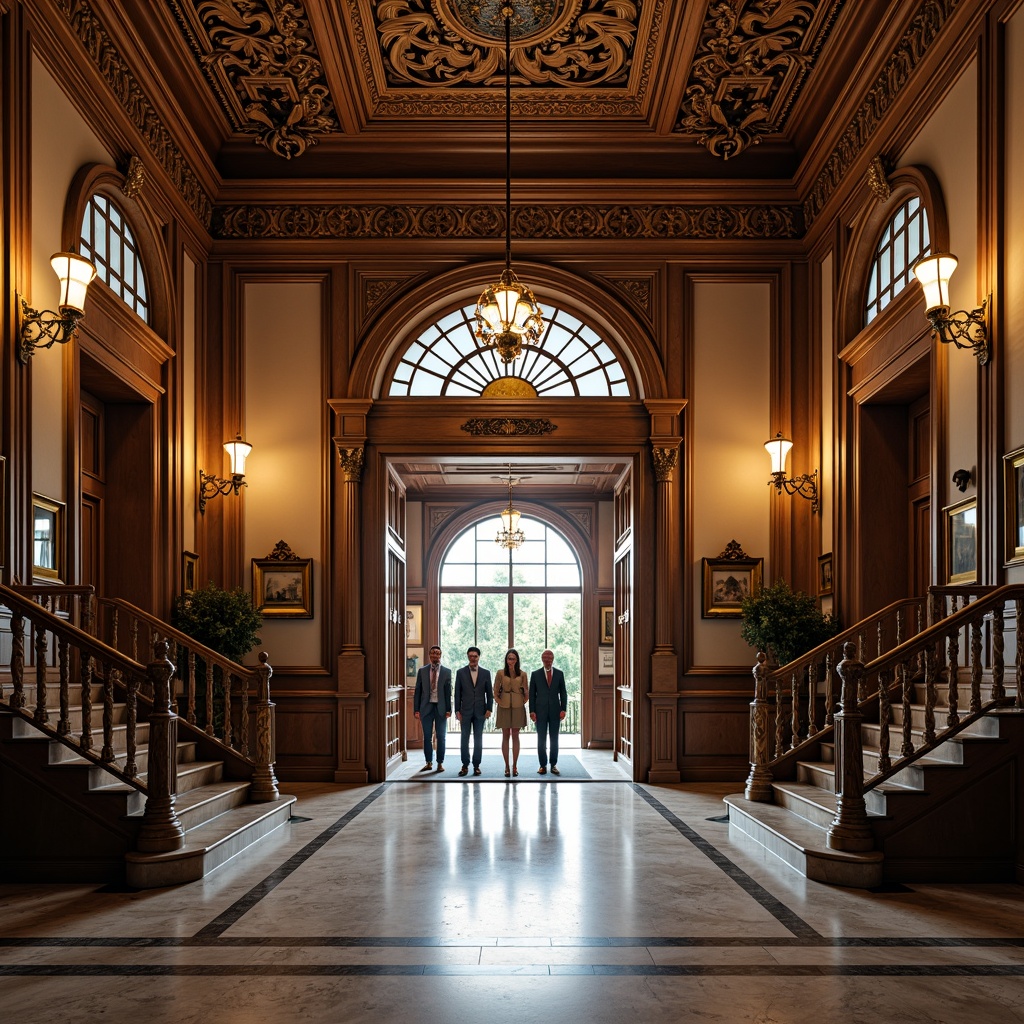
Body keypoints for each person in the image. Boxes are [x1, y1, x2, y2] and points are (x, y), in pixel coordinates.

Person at [454, 646, 493, 776]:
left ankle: (477, 765)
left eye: (475, 656)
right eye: (470, 656)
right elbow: (457, 693)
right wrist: (457, 711)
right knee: (464, 738)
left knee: (478, 738)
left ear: (479, 657)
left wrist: (489, 708)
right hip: (465, 711)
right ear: (467, 657)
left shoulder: (486, 673)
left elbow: (489, 693)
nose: (473, 658)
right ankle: (465, 765)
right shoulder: (460, 672)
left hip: (480, 711)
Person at [412, 644, 452, 772]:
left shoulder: (446, 672)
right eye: (433, 653)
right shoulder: (422, 671)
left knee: (441, 736)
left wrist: (448, 709)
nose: (435, 655)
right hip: (426, 707)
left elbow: (448, 692)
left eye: (437, 653)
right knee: (427, 736)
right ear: (429, 655)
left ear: (440, 656)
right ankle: (428, 762)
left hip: (441, 708)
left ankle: (440, 763)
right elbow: (418, 691)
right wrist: (416, 709)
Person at [529, 649, 567, 775]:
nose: (547, 661)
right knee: (541, 740)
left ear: (553, 659)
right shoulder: (535, 674)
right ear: (542, 660)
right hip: (540, 712)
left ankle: (554, 764)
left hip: (556, 712)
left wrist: (563, 709)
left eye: (549, 659)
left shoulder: (559, 674)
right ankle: (542, 765)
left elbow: (563, 693)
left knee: (554, 739)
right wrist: (532, 711)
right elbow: (532, 695)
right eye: (545, 659)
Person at [494, 648, 529, 777]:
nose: (511, 661)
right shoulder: (500, 673)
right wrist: (500, 701)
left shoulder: (523, 674)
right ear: (506, 660)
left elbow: (526, 692)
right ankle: (506, 766)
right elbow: (495, 690)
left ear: (517, 660)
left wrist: (521, 702)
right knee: (505, 735)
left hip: (518, 706)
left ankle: (515, 765)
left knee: (515, 735)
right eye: (509, 658)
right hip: (503, 706)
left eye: (513, 658)